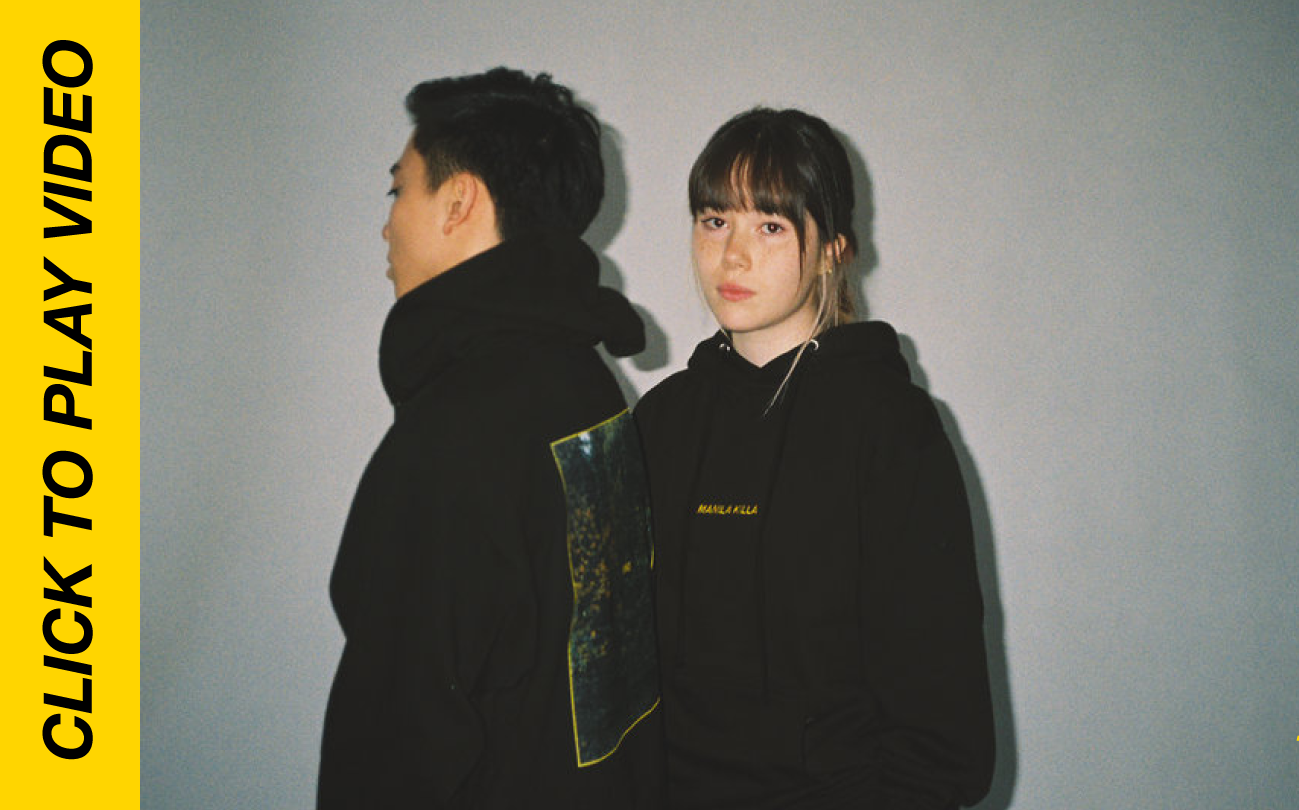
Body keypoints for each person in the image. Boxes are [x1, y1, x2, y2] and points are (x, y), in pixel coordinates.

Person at [318, 68, 662, 809]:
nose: (388, 225)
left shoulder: (457, 433)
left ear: (459, 202)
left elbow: (395, 742)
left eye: (399, 191)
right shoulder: (586, 385)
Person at [633, 108, 995, 809]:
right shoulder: (661, 421)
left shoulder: (889, 427)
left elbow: (942, 728)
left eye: (770, 226)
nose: (733, 256)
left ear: (832, 248)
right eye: (715, 221)